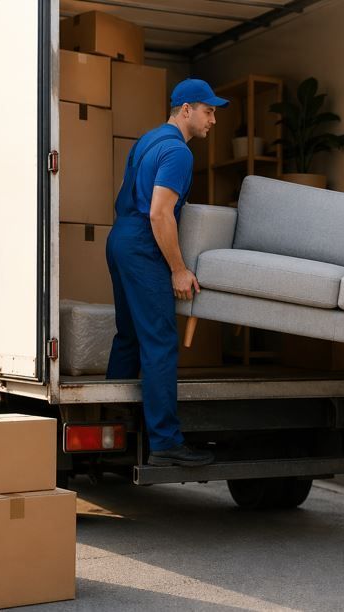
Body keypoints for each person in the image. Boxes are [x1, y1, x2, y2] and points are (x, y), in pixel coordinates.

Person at [105, 78, 228, 467]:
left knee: (129, 335)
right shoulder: (178, 153)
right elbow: (160, 212)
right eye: (208, 112)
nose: (213, 121)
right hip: (142, 243)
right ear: (186, 109)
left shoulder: (147, 140)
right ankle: (165, 441)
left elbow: (122, 192)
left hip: (121, 238)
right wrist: (178, 268)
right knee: (159, 341)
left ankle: (112, 423)